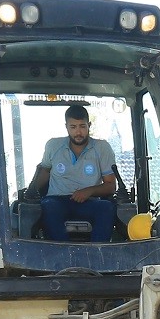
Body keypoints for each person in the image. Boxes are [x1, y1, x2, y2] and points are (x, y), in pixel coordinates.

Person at [27, 103, 119, 242]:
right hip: (57, 201)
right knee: (47, 206)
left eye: (82, 126)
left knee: (106, 207)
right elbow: (45, 172)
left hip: (89, 202)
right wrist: (31, 190)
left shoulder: (102, 148)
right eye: (73, 127)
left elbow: (111, 186)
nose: (78, 132)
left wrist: (89, 191)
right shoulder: (53, 146)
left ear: (89, 125)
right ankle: (61, 255)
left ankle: (98, 255)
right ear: (66, 127)